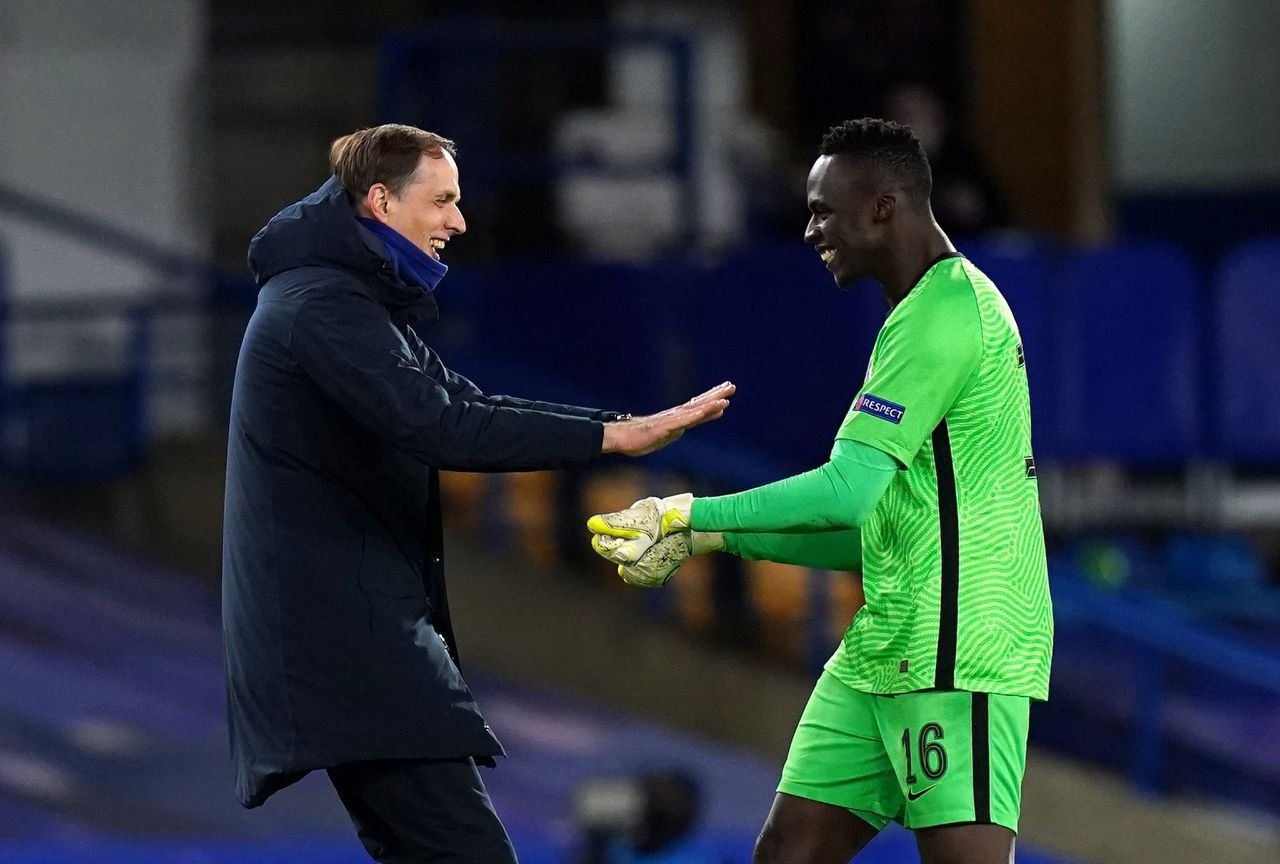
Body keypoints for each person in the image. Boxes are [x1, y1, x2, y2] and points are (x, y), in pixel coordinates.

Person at [221, 123, 733, 863]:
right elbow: (444, 427)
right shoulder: (322, 308)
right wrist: (613, 440)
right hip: (348, 651)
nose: (458, 222)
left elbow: (467, 403)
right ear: (380, 202)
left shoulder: (350, 301)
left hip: (348, 644)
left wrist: (616, 429)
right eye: (442, 201)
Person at [589, 119, 1052, 864]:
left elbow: (843, 493)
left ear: (882, 207)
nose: (810, 232)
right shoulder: (919, 313)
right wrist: (704, 537)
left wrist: (687, 512)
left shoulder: (944, 317)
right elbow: (869, 531)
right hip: (885, 646)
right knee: (787, 852)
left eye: (823, 212)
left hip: (958, 651)